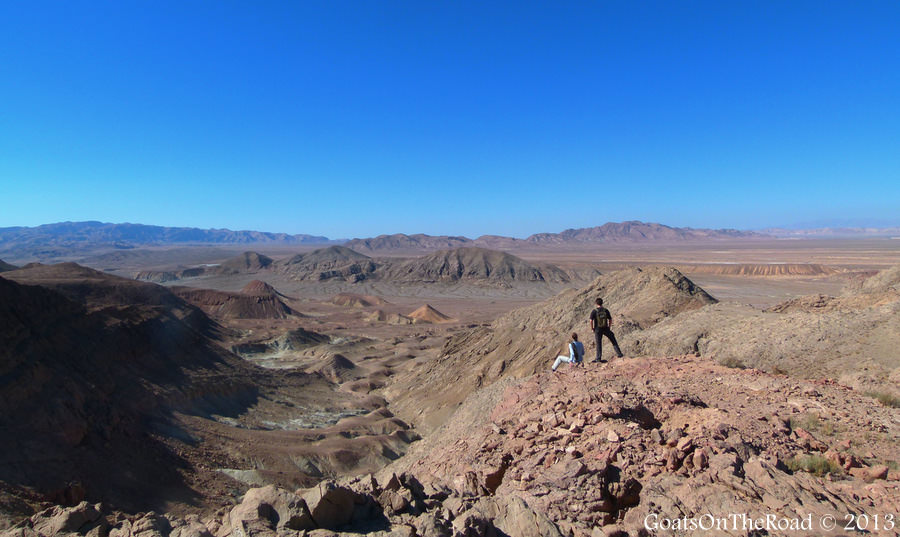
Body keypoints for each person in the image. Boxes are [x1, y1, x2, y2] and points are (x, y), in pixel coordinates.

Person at [589, 298, 623, 362]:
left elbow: (591, 320)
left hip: (597, 329)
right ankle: (619, 353)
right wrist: (609, 327)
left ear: (596, 303)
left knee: (598, 343)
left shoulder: (594, 311)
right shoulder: (605, 310)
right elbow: (610, 319)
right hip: (605, 328)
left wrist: (592, 328)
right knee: (613, 339)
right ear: (602, 303)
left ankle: (598, 358)